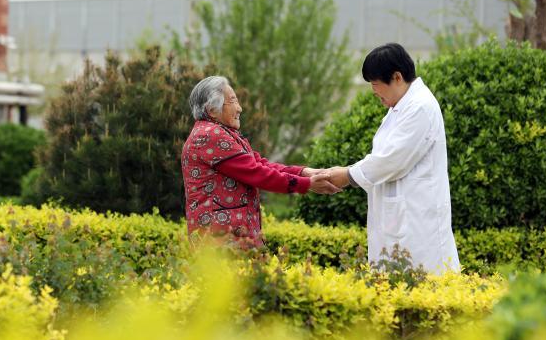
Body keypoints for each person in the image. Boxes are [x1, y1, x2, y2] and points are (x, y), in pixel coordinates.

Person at [327, 43, 460, 274]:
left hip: (417, 223)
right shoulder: (400, 108)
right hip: (400, 218)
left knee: (420, 282)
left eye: (375, 83)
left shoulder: (420, 107)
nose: (373, 91)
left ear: (397, 77)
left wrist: (348, 175)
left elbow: (391, 160)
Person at [181, 76, 339, 248]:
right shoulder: (209, 135)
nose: (240, 108)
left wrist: (303, 172)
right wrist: (305, 184)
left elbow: (260, 164)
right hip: (220, 244)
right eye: (233, 101)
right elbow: (257, 173)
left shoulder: (221, 132)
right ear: (212, 110)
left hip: (233, 239)